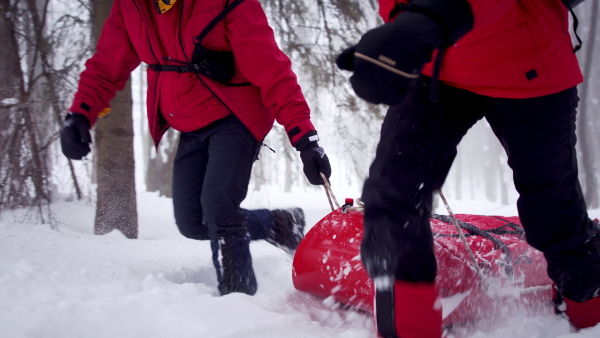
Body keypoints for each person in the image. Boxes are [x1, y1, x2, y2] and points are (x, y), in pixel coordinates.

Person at [336, 0, 600, 336]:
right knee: (392, 197)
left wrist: (428, 17)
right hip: (438, 67)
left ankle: (589, 313)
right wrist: (402, 26)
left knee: (552, 210)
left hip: (529, 66)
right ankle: (410, 329)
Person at [60, 0, 331, 296]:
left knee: (219, 207)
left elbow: (272, 71)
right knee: (192, 222)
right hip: (189, 123)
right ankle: (278, 224)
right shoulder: (131, 7)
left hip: (237, 116)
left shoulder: (227, 3)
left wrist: (305, 139)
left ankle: (237, 299)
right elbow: (106, 66)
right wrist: (80, 115)